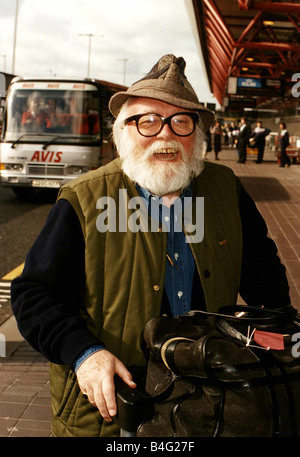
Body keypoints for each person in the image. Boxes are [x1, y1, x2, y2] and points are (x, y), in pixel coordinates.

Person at [11, 54, 291, 437]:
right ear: (123, 133)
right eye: (147, 121)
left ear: (199, 135)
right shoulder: (85, 198)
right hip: (111, 409)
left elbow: (264, 276)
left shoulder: (225, 189)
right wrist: (83, 354)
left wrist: (278, 336)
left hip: (207, 400)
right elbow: (34, 294)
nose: (165, 135)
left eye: (181, 121)